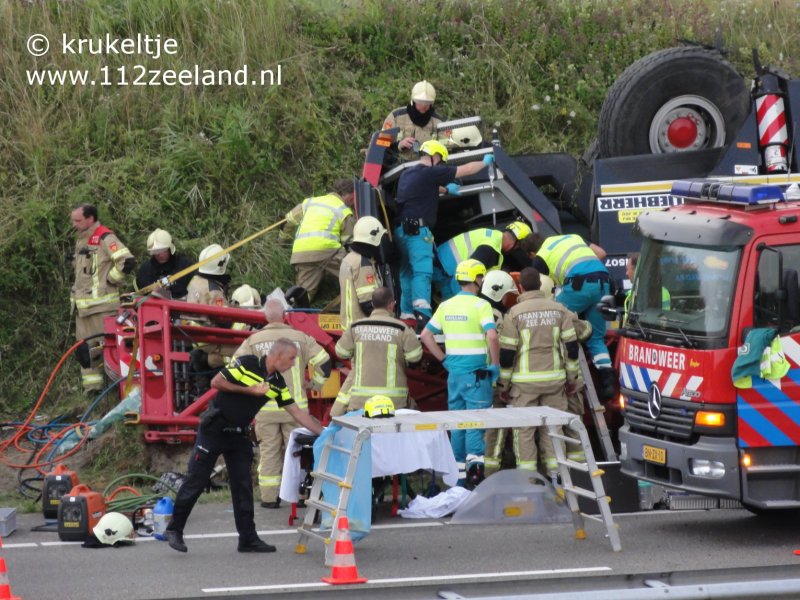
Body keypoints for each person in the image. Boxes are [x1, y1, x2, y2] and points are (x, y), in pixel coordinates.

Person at [165, 339, 324, 554]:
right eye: (292, 358)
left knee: (243, 487)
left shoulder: (277, 382)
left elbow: (297, 413)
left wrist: (325, 433)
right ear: (277, 355)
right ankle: (175, 530)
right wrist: (250, 390)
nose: (294, 363)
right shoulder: (247, 363)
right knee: (197, 480)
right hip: (214, 429)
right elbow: (216, 382)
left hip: (239, 434)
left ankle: (248, 539)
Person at [233, 300, 330, 508]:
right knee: (298, 452)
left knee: (269, 452)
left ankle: (269, 498)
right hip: (294, 409)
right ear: (284, 315)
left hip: (263, 409)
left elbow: (235, 368)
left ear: (265, 317)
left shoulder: (253, 340)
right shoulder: (301, 338)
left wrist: (250, 390)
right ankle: (301, 495)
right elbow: (325, 362)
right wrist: (314, 384)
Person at [394, 140, 493, 331]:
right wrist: (485, 162)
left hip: (401, 231)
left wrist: (446, 190)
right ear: (436, 156)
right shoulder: (430, 171)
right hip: (418, 233)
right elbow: (466, 169)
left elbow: (427, 188)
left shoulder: (407, 174)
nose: (440, 165)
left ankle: (406, 314)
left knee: (406, 272)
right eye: (441, 161)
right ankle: (423, 315)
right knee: (422, 272)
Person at [420, 259, 500, 488]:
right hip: (477, 374)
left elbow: (426, 335)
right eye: (481, 277)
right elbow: (492, 336)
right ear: (477, 278)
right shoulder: (480, 305)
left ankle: (457, 479)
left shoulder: (446, 306)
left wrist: (444, 359)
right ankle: (475, 478)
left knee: (458, 423)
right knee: (475, 422)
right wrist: (494, 364)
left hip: (454, 374)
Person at [497, 267, 580, 477]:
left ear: (521, 287)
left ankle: (528, 479)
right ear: (541, 286)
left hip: (524, 386)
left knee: (524, 431)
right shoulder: (559, 310)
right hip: (554, 381)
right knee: (553, 429)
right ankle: (557, 478)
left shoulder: (514, 314)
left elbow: (507, 355)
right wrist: (572, 379)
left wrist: (503, 386)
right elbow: (571, 348)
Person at [524, 232, 616, 400]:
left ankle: (565, 369)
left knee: (550, 318)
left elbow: (535, 288)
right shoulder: (573, 237)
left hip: (579, 285)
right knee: (596, 337)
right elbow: (601, 253)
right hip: (604, 282)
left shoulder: (541, 256)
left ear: (532, 253)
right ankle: (607, 380)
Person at [70, 203, 135, 393]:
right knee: (84, 352)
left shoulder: (105, 237)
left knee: (110, 348)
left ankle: (120, 389)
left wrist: (110, 280)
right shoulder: (82, 239)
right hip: (82, 308)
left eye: (78, 220)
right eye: (73, 220)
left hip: (102, 308)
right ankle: (93, 391)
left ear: (90, 219)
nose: (74, 224)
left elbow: (127, 261)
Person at [332, 287, 422, 416]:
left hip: (361, 402)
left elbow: (341, 352)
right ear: (391, 304)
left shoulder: (356, 327)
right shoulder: (401, 329)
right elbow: (415, 357)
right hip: (393, 402)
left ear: (373, 304)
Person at [284, 179, 355, 303]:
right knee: (355, 272)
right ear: (346, 194)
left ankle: (293, 313)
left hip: (301, 254)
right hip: (329, 252)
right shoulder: (344, 211)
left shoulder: (310, 202)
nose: (353, 202)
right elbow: (349, 242)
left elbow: (289, 220)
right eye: (353, 197)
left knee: (303, 295)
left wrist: (282, 240)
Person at [478, 270, 519, 476]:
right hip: (492, 380)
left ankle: (474, 471)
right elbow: (504, 349)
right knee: (496, 427)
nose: (507, 300)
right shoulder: (496, 317)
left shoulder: (473, 308)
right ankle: (490, 472)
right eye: (506, 295)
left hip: (470, 377)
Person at [436, 221, 532, 298]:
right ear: (517, 244)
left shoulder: (494, 236)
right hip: (444, 272)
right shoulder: (490, 248)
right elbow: (466, 276)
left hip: (442, 264)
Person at [186, 243, 232, 373]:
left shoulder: (195, 280)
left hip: (194, 337)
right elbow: (225, 320)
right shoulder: (214, 291)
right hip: (211, 342)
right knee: (243, 351)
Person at [339, 216, 387, 329]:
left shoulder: (349, 259)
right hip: (363, 328)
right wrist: (387, 321)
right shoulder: (363, 263)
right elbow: (369, 303)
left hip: (351, 327)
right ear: (373, 240)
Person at [382, 80, 445, 156]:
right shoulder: (396, 116)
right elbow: (382, 142)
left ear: (432, 103)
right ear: (413, 101)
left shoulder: (439, 122)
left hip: (428, 165)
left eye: (427, 103)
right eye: (420, 102)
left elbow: (447, 148)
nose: (423, 106)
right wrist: (399, 145)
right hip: (399, 165)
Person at [135, 228, 194, 300]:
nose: (158, 254)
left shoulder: (185, 266)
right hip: (154, 308)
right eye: (155, 252)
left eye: (162, 250)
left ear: (170, 248)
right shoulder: (145, 270)